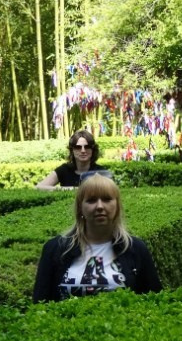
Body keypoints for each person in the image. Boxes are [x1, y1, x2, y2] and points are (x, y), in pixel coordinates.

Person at [32, 175, 162, 301]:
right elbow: (40, 303)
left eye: (106, 199)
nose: (99, 206)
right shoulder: (55, 249)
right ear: (80, 208)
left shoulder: (136, 249)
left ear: (117, 206)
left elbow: (154, 299)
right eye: (91, 200)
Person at [36, 129, 113, 190]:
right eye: (78, 147)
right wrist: (70, 189)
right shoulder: (64, 170)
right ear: (72, 150)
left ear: (93, 150)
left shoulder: (101, 172)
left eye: (87, 147)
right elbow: (39, 187)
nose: (83, 150)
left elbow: (111, 191)